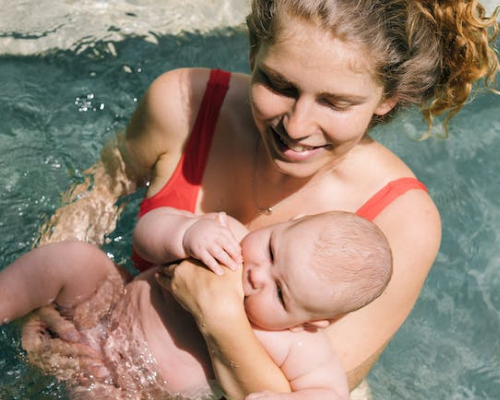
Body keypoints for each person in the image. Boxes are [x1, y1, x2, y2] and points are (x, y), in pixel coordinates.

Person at [34, 0, 499, 398]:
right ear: (254, 51)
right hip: (122, 324)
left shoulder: (402, 222)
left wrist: (217, 315)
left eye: (335, 103)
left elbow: (303, 388)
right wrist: (48, 324)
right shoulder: (184, 105)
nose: (295, 126)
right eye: (279, 84)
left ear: (387, 99)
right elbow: (94, 197)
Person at [1, 210, 392, 400]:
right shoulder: (227, 238)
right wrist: (184, 233)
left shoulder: (296, 343)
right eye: (271, 250)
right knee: (74, 259)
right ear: (283, 223)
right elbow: (144, 235)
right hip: (106, 308)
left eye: (280, 293)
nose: (258, 273)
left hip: (129, 389)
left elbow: (328, 392)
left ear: (316, 322)